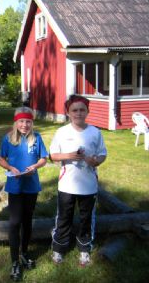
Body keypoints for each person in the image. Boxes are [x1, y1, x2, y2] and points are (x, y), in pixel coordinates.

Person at [50, 94, 107, 267]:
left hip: (88, 185)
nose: (79, 113)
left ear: (87, 112)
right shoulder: (62, 132)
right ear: (68, 112)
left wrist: (96, 160)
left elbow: (103, 154)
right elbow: (53, 155)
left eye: (82, 110)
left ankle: (84, 249)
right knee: (63, 217)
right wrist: (70, 156)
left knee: (86, 218)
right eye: (75, 110)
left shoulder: (95, 132)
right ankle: (59, 248)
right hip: (67, 184)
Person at [0, 106, 48, 281]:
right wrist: (11, 167)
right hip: (15, 184)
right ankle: (14, 261)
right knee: (14, 222)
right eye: (21, 121)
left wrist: (35, 166)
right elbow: (1, 159)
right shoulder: (8, 139)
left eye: (28, 121)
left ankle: (24, 252)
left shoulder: (37, 138)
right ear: (16, 122)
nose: (25, 125)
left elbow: (43, 158)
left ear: (32, 122)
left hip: (31, 185)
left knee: (27, 220)